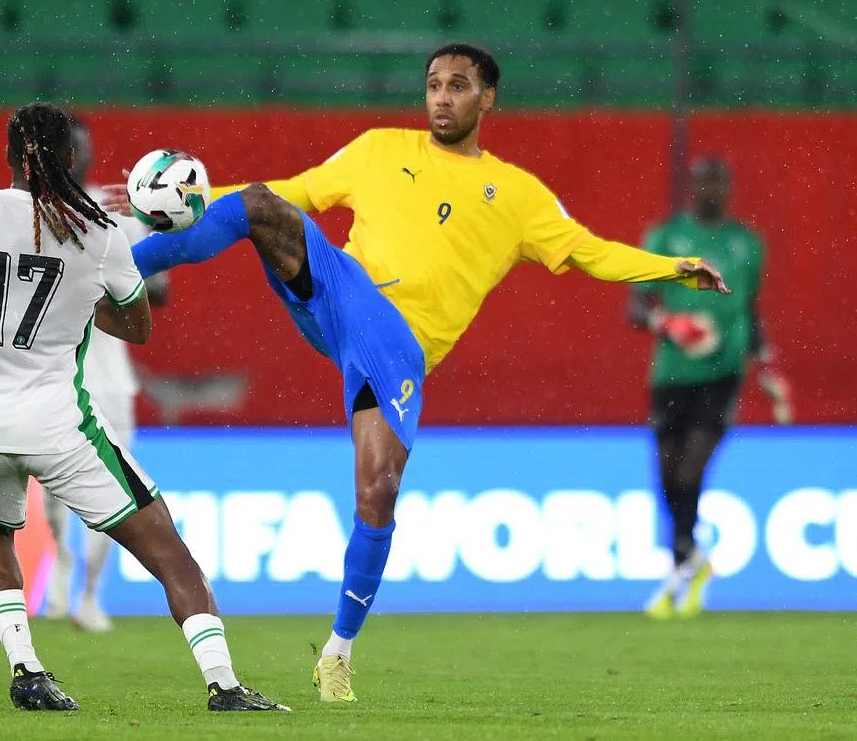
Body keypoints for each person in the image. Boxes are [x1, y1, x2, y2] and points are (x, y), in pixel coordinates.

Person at [105, 43, 730, 704]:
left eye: (458, 86)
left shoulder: (518, 196)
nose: (441, 96)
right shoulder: (379, 148)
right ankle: (114, 264)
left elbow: (590, 253)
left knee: (379, 493)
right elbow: (294, 193)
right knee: (261, 205)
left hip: (396, 349)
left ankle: (338, 655)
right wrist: (190, 202)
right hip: (341, 293)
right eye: (433, 84)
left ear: (487, 98)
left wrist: (671, 267)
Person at [0, 102, 288, 713]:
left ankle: (26, 669)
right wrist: (79, 307)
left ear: (8, 154)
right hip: (56, 425)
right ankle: (223, 685)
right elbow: (138, 326)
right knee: (170, 553)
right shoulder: (97, 231)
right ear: (69, 157)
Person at [629, 157, 792, 620]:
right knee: (666, 477)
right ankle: (692, 562)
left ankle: (683, 566)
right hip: (670, 376)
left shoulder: (747, 244)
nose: (709, 191)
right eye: (702, 183)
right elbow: (636, 307)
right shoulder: (665, 238)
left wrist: (767, 371)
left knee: (688, 474)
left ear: (729, 189)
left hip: (722, 376)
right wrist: (671, 322)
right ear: (691, 188)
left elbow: (751, 312)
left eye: (717, 184)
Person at [40, 115, 170, 633]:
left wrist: (115, 275)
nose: (82, 156)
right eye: (73, 148)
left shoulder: (115, 213)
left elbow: (157, 291)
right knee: (52, 492)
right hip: (53, 375)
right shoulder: (31, 216)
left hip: (110, 378)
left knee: (115, 486)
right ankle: (61, 561)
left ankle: (91, 595)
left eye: (86, 148)